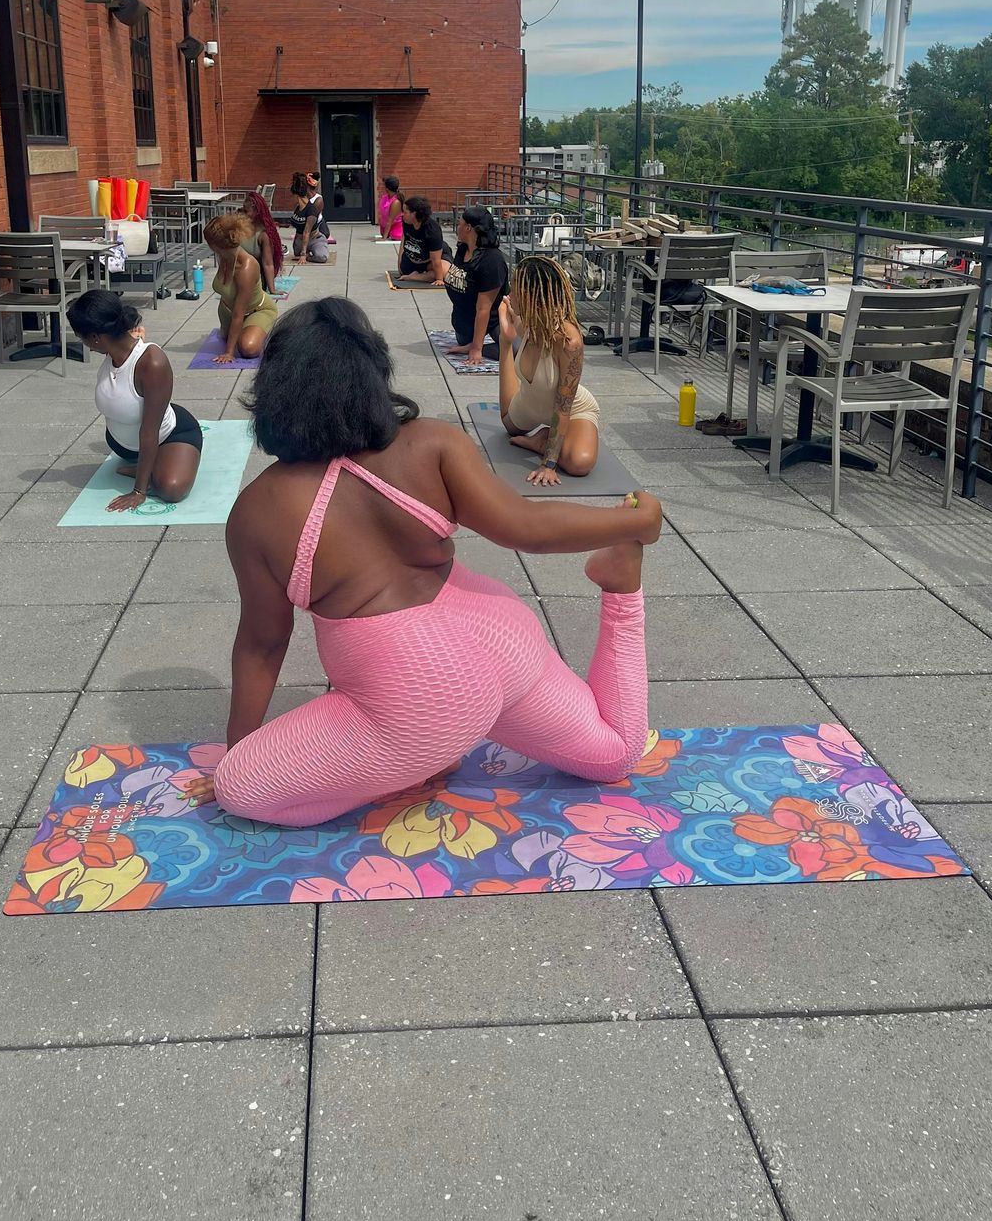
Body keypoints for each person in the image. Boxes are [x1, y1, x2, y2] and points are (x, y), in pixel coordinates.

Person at [212, 297, 660, 827]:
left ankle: (422, 757)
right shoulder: (430, 443)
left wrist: (238, 753)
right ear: (373, 374)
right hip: (499, 636)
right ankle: (621, 589)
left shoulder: (259, 510)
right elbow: (526, 527)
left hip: (419, 698)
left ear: (274, 391)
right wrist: (632, 523)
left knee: (240, 790)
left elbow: (263, 645)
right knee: (614, 754)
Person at [67, 289, 202, 511]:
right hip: (128, 447)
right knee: (159, 473)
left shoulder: (152, 362)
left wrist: (139, 491)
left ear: (95, 337)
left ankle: (157, 465)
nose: (82, 343)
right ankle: (148, 465)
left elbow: (149, 432)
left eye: (80, 337)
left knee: (171, 489)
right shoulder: (113, 350)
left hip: (168, 434)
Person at [498, 256, 600, 487]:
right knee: (508, 426)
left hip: (572, 409)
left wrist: (549, 464)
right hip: (531, 403)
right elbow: (509, 314)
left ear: (532, 297)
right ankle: (542, 438)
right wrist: (505, 342)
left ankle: (542, 442)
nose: (510, 293)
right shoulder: (525, 321)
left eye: (516, 288)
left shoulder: (568, 342)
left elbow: (563, 408)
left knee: (579, 464)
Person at [204, 212, 278, 363]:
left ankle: (266, 331)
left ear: (217, 246)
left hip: (256, 310)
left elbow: (239, 313)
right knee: (232, 337)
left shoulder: (246, 267)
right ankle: (243, 332)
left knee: (248, 348)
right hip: (227, 312)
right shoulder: (223, 256)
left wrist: (229, 353)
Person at [444, 205, 508, 363]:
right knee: (463, 340)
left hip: (494, 319)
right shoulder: (462, 249)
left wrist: (476, 348)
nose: (457, 227)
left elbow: (484, 308)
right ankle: (472, 342)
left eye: (459, 224)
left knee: (517, 352)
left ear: (468, 228)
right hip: (464, 324)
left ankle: (477, 344)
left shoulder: (492, 261)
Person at [395, 195, 451, 285]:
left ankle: (413, 277)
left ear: (414, 214)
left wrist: (439, 279)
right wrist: (400, 264)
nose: (402, 214)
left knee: (440, 274)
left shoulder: (432, 229)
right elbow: (404, 239)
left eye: (405, 212)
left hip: (433, 257)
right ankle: (418, 275)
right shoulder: (406, 222)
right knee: (403, 271)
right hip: (413, 258)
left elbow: (435, 259)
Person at [241, 190, 284, 294]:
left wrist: (272, 289)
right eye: (243, 210)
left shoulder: (263, 235)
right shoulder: (239, 227)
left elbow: (268, 264)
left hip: (255, 277)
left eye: (246, 212)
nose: (243, 215)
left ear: (256, 212)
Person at [290, 171, 329, 264]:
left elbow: (307, 229)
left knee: (321, 257)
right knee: (296, 253)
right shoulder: (300, 204)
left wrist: (304, 255)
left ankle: (315, 250)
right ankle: (306, 250)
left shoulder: (316, 202)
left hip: (314, 233)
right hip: (300, 237)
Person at [378, 175, 404, 241]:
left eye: (383, 185)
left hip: (396, 226)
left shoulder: (396, 202)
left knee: (395, 236)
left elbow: (390, 220)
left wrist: (384, 238)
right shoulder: (385, 198)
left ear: (387, 188)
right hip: (386, 226)